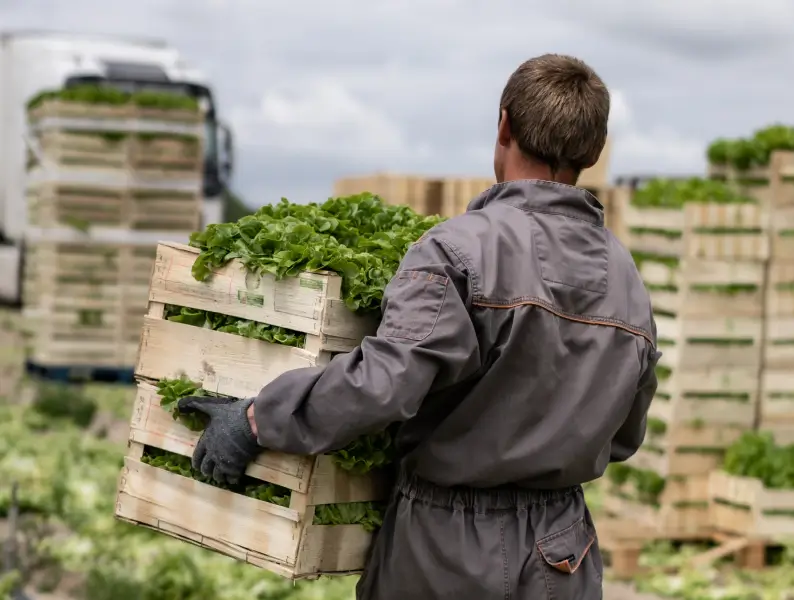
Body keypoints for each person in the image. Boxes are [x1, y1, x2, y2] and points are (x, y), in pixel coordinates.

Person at [177, 53, 660, 600]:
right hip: (561, 554)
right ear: (593, 152)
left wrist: (256, 419)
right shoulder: (627, 282)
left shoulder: (458, 251)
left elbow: (383, 384)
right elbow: (625, 436)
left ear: (503, 124)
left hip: (447, 551)